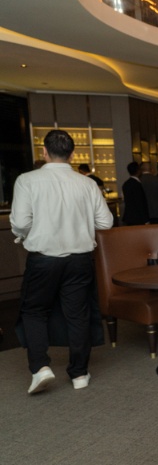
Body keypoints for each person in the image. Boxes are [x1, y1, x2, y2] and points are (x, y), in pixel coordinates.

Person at [10, 130, 114, 394]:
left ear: (44, 151)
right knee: (77, 315)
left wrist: (29, 233)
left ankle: (40, 367)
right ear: (72, 154)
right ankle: (79, 373)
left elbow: (20, 223)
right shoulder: (87, 184)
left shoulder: (27, 180)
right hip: (80, 260)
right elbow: (105, 222)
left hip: (43, 259)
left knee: (34, 311)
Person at [121, 161, 149, 226]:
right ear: (138, 171)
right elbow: (140, 203)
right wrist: (146, 220)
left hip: (128, 217)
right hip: (138, 218)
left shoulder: (126, 183)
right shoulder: (137, 184)